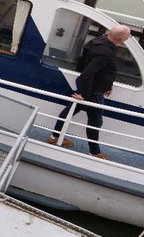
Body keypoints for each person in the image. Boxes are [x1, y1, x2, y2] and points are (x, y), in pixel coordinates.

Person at [48, 24, 131, 159]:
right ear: (122, 39)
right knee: (95, 121)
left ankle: (54, 136)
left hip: (87, 86)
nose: (129, 37)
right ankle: (94, 152)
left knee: (70, 110)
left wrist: (108, 84)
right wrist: (85, 95)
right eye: (128, 35)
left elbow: (87, 65)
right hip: (93, 90)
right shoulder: (106, 52)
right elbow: (88, 73)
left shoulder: (98, 41)